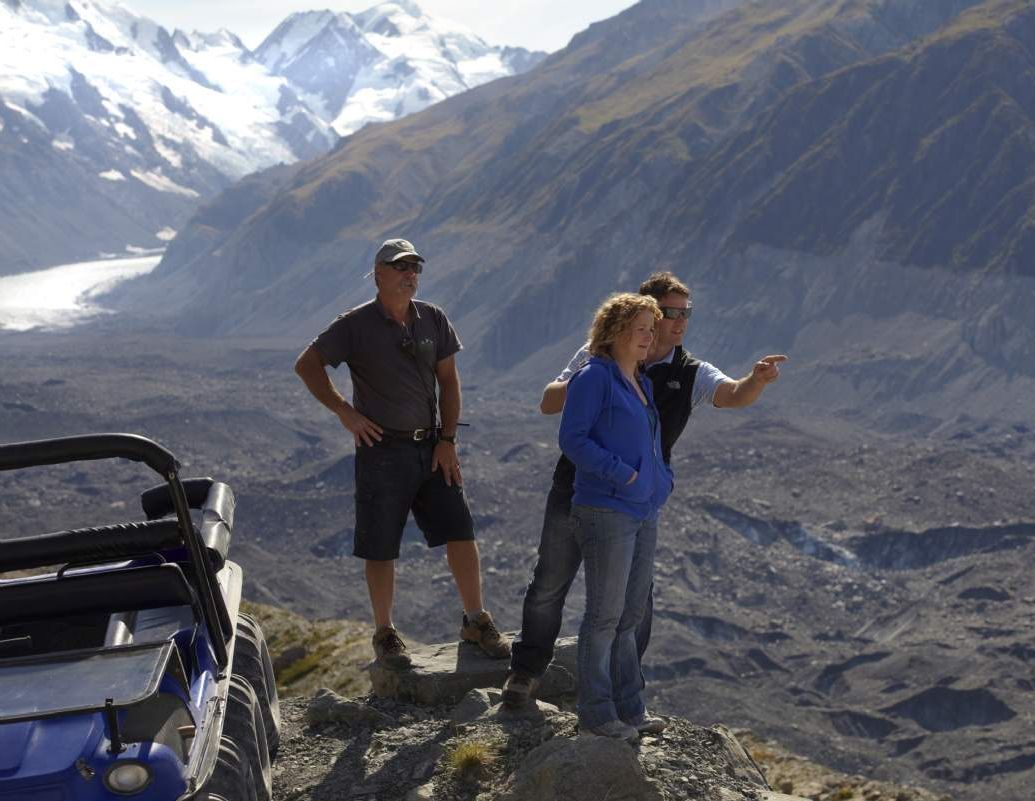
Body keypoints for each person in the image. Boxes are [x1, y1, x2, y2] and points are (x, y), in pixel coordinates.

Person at [504, 271, 786, 714]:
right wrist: (596, 375)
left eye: (685, 313)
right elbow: (550, 402)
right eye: (669, 312)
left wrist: (757, 380)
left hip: (635, 503)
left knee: (635, 603)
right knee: (550, 583)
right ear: (647, 311)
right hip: (577, 488)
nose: (678, 322)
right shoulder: (598, 358)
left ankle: (621, 694)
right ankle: (526, 673)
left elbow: (732, 395)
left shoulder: (688, 370)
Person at [294, 237, 511, 668]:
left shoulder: (433, 318)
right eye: (400, 267)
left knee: (460, 531)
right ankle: (385, 633)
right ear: (378, 275)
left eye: (415, 267)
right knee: (380, 544)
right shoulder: (354, 325)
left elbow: (448, 381)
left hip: (431, 447)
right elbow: (307, 364)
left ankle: (475, 619)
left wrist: (447, 441)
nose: (410, 274)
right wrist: (345, 413)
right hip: (382, 449)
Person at [559, 292, 673, 741]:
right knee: (604, 617)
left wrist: (660, 480)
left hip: (643, 510)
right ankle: (597, 713)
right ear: (616, 331)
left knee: (629, 617)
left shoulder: (640, 381)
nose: (650, 337)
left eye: (652, 329)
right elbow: (573, 438)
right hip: (605, 509)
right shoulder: (594, 377)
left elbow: (650, 443)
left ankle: (631, 709)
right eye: (641, 328)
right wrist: (624, 475)